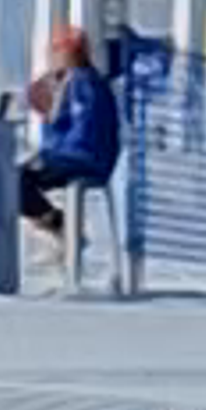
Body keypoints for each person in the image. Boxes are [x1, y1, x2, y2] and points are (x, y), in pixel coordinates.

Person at [21, 20, 125, 258]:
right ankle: (58, 231)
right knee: (22, 175)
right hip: (88, 156)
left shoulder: (80, 82)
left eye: (57, 51)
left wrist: (47, 148)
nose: (52, 57)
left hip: (81, 157)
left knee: (13, 180)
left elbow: (83, 132)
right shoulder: (85, 80)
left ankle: (62, 229)